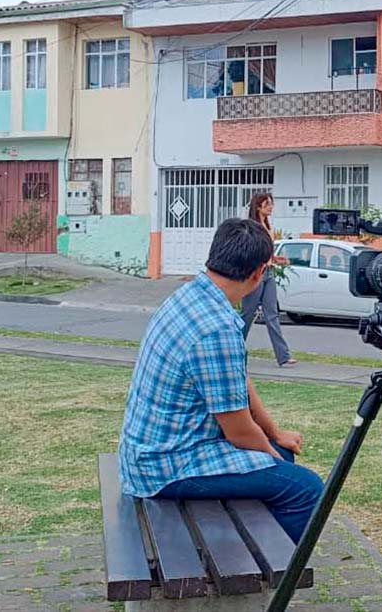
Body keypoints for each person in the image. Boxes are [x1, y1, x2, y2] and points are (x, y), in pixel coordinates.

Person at [119, 217, 324, 541]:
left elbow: (239, 378)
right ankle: (270, 573)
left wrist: (275, 434)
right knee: (306, 488)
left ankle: (245, 547)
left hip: (151, 451)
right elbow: (240, 432)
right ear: (258, 273)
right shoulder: (217, 328)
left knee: (280, 456)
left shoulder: (192, 296)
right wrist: (272, 458)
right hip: (164, 466)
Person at [239, 192, 297, 367]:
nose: (271, 207)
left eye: (271, 204)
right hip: (256, 274)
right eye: (267, 204)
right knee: (247, 315)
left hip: (269, 273)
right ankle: (232, 349)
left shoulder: (268, 226)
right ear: (258, 207)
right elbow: (250, 250)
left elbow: (267, 252)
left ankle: (283, 356)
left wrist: (276, 259)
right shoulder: (252, 227)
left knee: (272, 314)